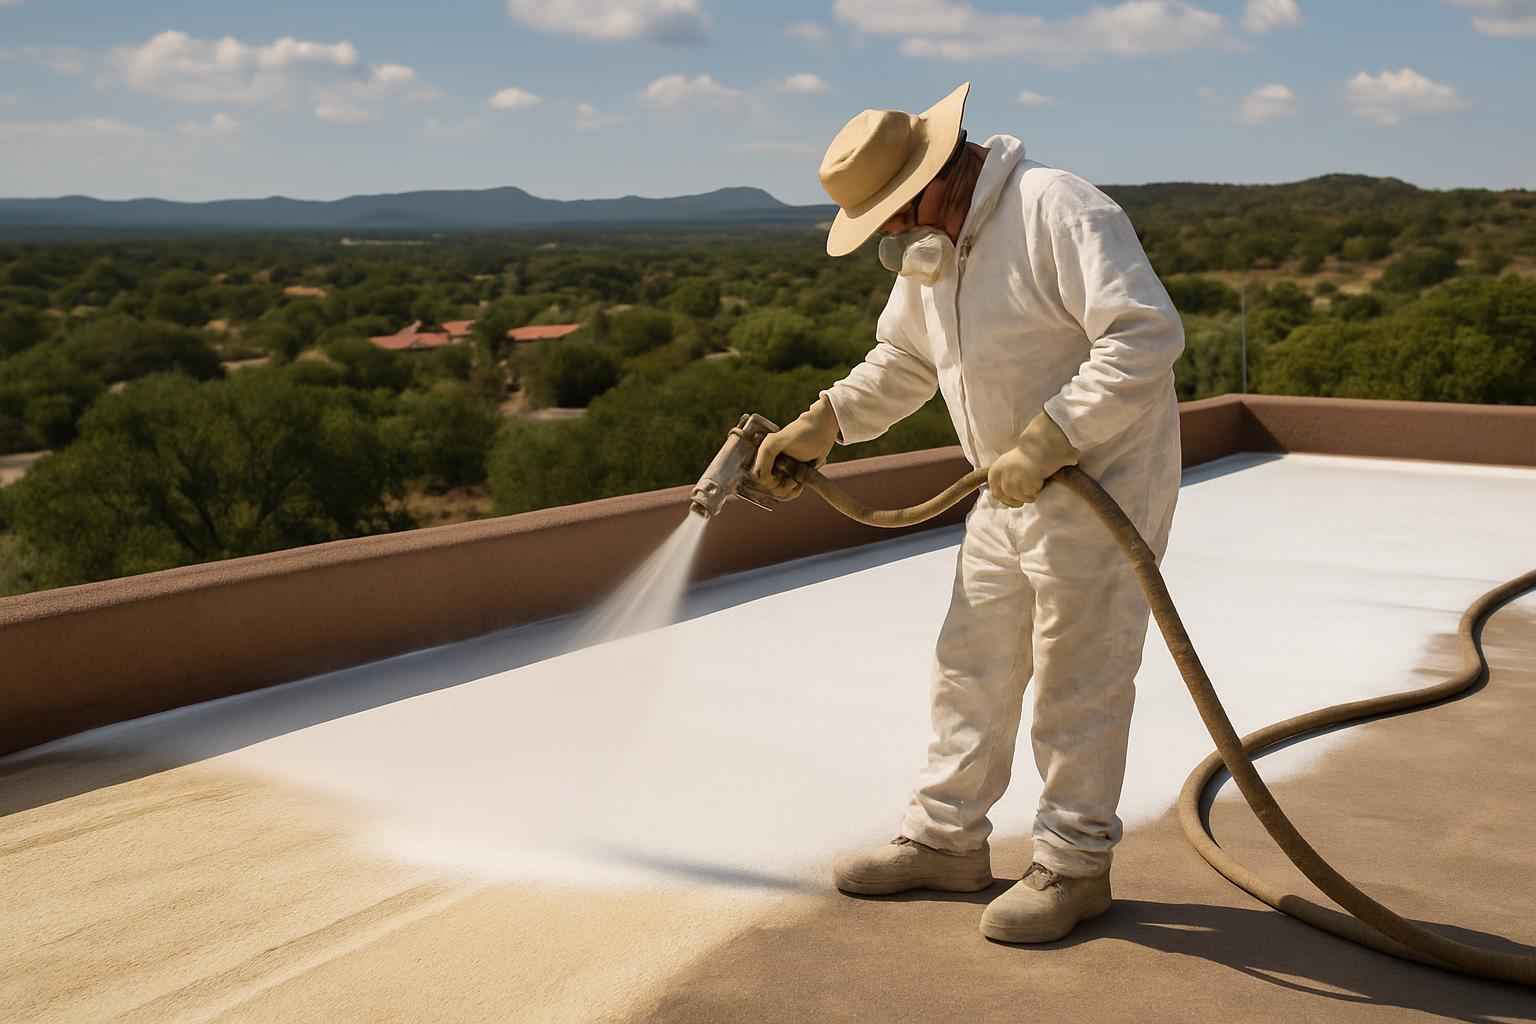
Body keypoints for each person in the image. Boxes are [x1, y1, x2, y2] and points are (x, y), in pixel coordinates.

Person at [752, 82, 1184, 944]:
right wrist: (827, 418)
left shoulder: (1056, 208)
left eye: (890, 215)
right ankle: (947, 841)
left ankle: (1072, 863)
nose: (889, 235)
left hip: (1100, 485)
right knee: (972, 662)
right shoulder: (937, 243)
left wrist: (1055, 435)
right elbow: (906, 356)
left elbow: (1144, 334)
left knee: (1078, 675)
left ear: (934, 176)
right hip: (1005, 482)